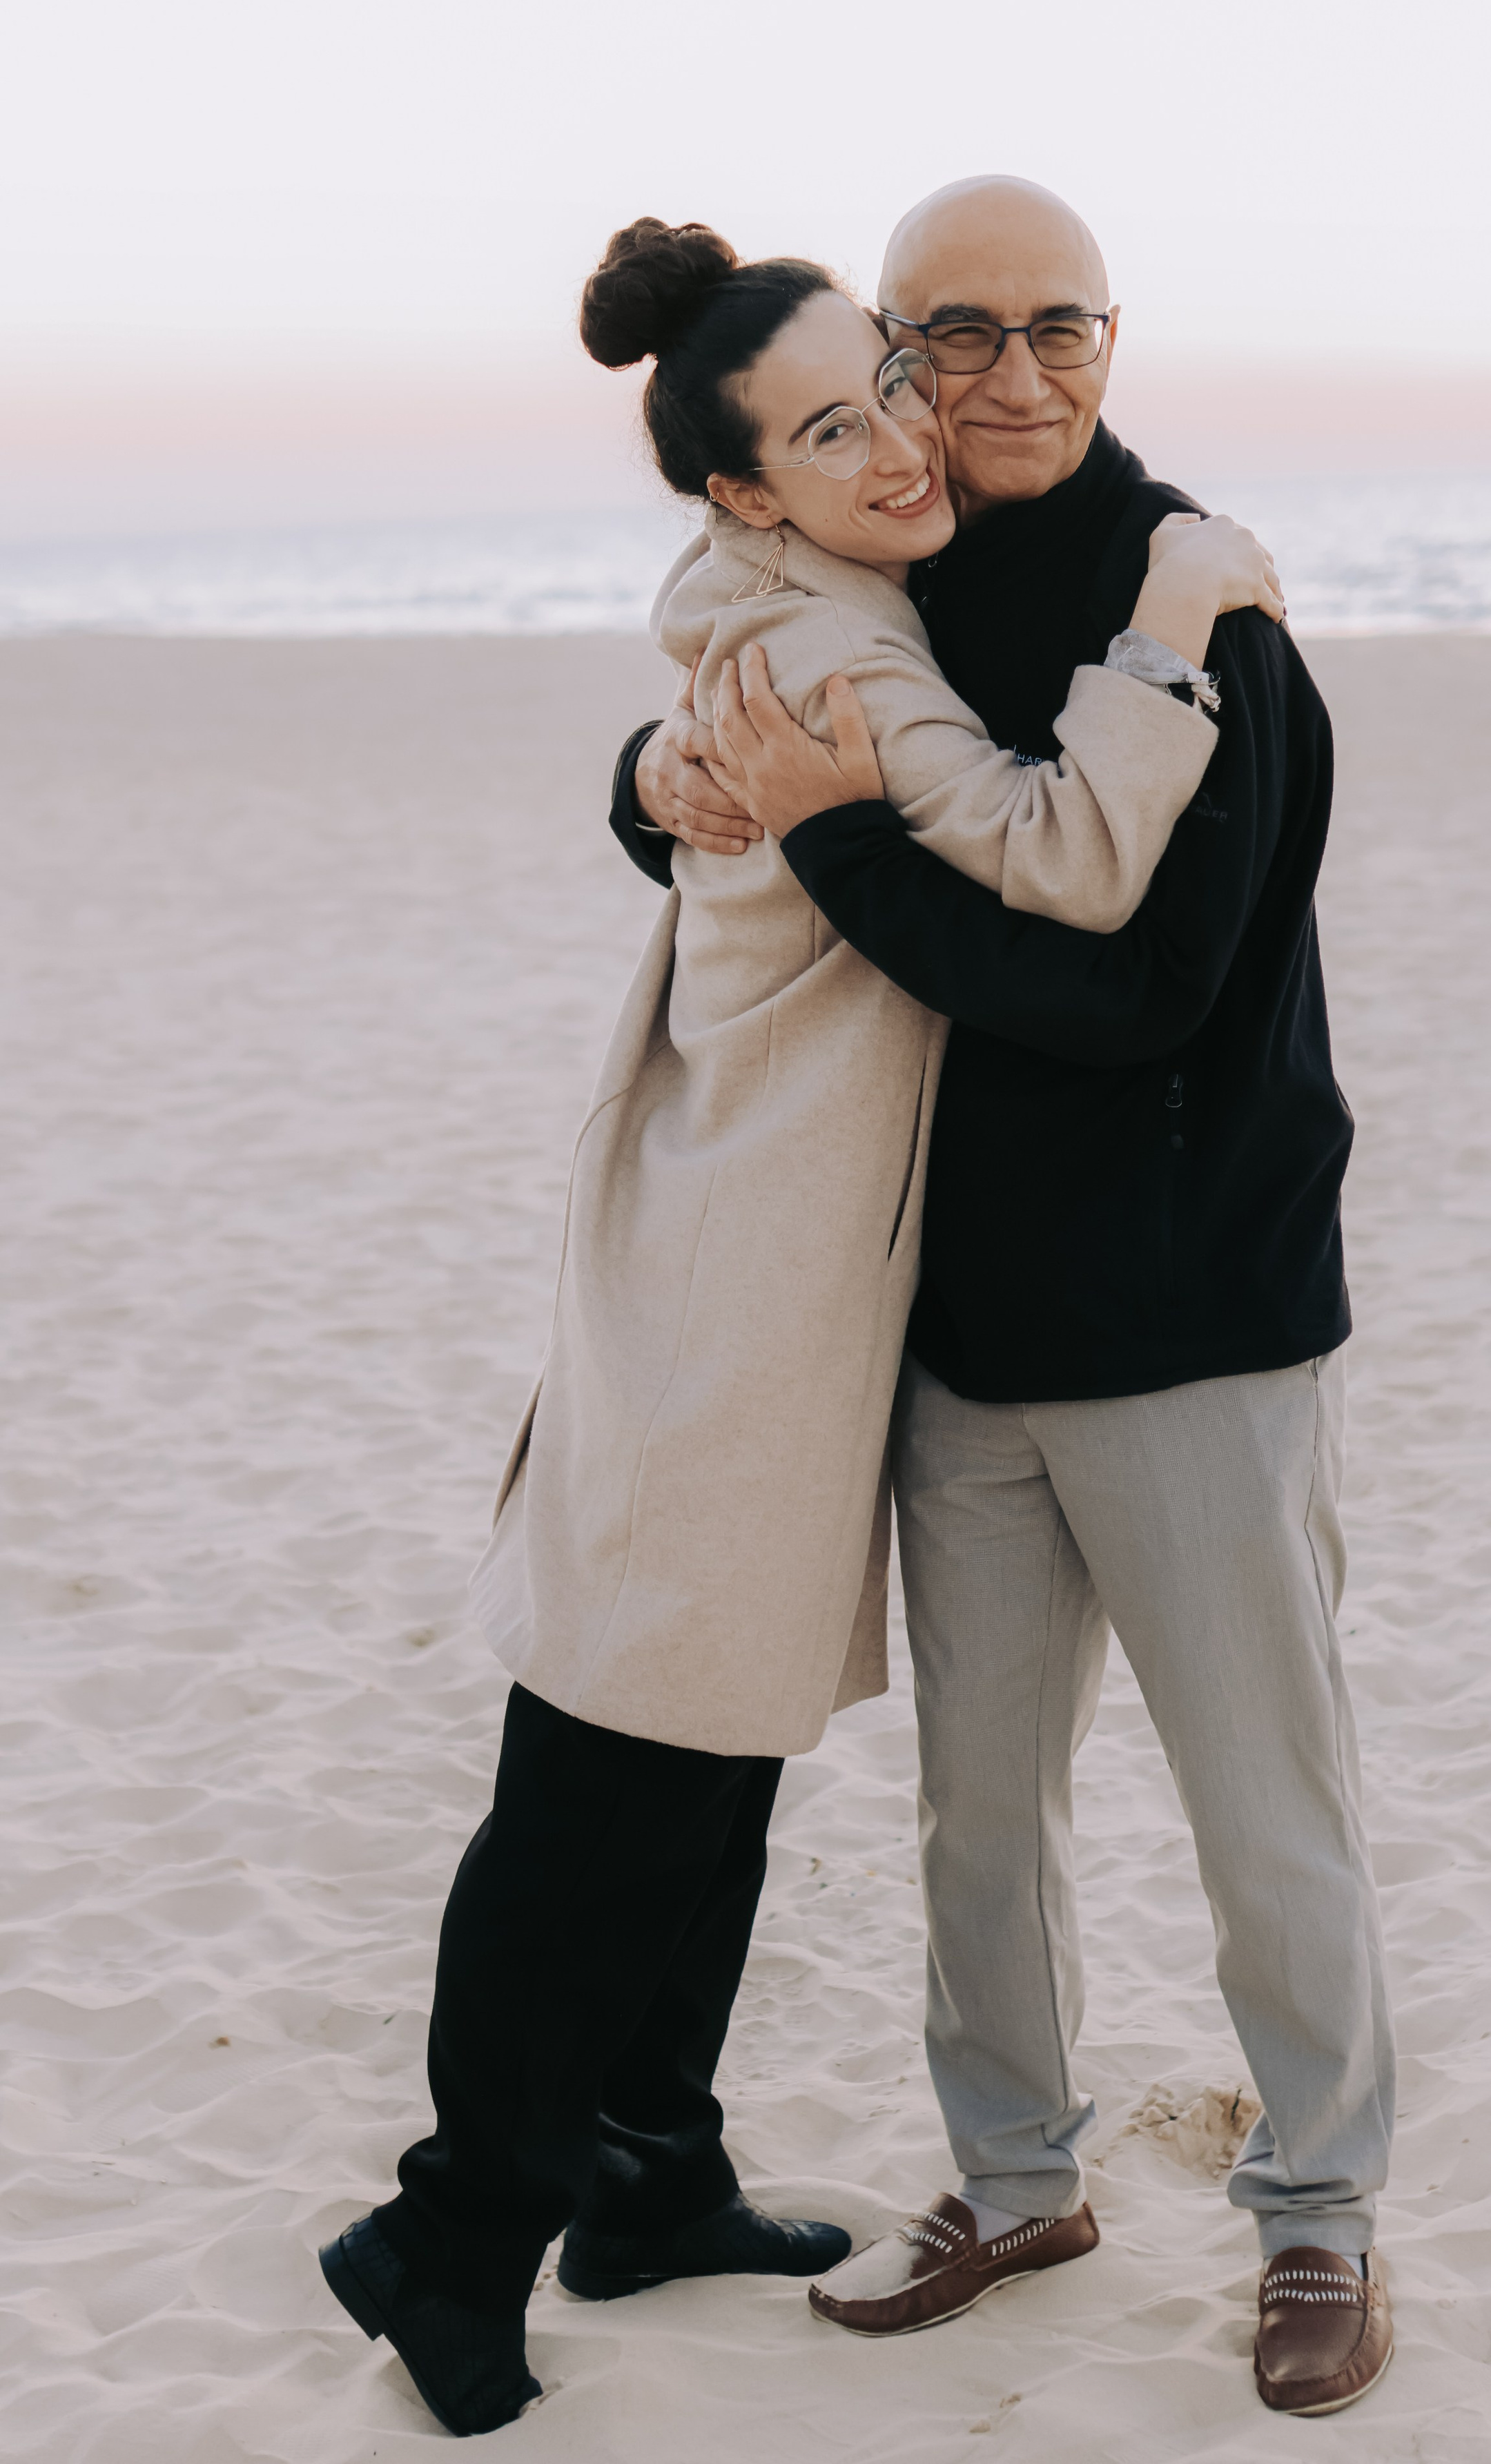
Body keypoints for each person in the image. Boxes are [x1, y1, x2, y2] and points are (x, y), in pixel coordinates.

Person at [317, 214, 1279, 2438]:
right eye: (834, 423)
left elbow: (693, 776)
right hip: (735, 1283)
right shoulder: (841, 656)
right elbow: (1062, 861)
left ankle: (650, 2176)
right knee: (605, 1778)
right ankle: (449, 2233)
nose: (903, 436)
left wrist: (646, 785)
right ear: (748, 488)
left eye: (891, 384)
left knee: (709, 1753)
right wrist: (1169, 620)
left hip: (757, 1259)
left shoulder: (815, 599)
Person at [615, 177, 1397, 2419]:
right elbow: (734, 715)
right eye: (953, 337)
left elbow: (1136, 993)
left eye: (1061, 328)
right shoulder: (891, 568)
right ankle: (1017, 2175)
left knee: (1268, 1800)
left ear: (1115, 344)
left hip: (1199, 1317)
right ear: (896, 365)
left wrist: (841, 837)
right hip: (958, 1335)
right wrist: (658, 778)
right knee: (980, 1809)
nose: (1009, 377)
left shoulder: (1209, 611)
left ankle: (1324, 2210)